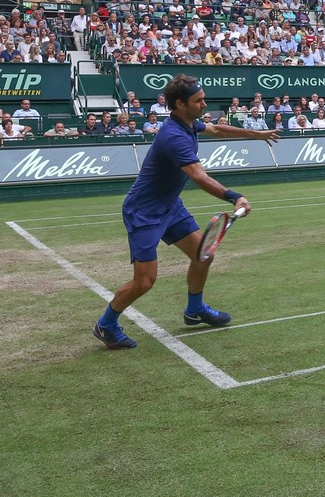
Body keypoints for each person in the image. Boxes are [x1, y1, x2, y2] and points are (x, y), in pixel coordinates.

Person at [93, 75, 281, 350]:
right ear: (179, 104)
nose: (204, 104)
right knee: (144, 281)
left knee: (203, 255)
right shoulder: (173, 136)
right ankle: (106, 324)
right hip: (144, 213)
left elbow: (216, 129)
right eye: (199, 100)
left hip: (170, 207)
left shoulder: (189, 123)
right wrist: (234, 197)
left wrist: (258, 134)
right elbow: (199, 177)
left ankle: (195, 310)